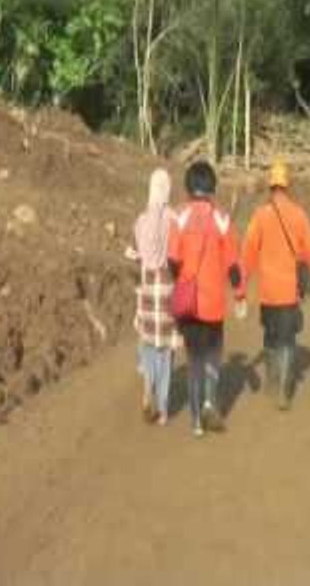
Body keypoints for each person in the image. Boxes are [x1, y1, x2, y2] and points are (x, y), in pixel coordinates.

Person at [168, 161, 244, 438]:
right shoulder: (222, 219)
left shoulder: (179, 216)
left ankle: (196, 422)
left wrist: (182, 279)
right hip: (213, 305)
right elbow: (234, 264)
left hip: (189, 304)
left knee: (194, 362)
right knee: (213, 357)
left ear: (189, 186)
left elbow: (173, 259)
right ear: (211, 187)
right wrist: (240, 295)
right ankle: (212, 402)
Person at [240, 160, 310, 410]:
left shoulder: (260, 216)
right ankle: (283, 390)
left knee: (271, 337)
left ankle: (273, 382)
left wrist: (240, 288)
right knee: (287, 339)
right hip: (289, 291)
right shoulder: (299, 214)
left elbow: (247, 254)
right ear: (287, 185)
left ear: (270, 185)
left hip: (267, 293)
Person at [131, 168, 181, 426]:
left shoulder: (140, 221)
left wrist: (136, 255)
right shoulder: (174, 219)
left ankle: (146, 389)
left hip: (149, 289)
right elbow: (178, 254)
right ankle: (162, 410)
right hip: (169, 289)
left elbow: (142, 253)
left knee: (148, 344)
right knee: (167, 352)